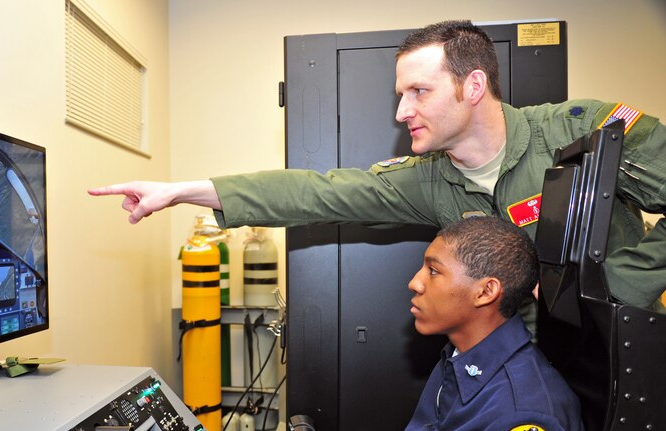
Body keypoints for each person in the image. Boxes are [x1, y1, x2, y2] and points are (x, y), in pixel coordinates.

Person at [89, 20, 666, 312]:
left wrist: (612, 284)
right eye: (400, 93)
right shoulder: (430, 179)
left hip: (622, 348)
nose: (401, 110)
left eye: (418, 91)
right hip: (533, 372)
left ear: (472, 85)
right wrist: (180, 191)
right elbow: (318, 193)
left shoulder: (580, 128)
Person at [112, 217, 584, 431]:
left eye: (434, 271)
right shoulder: (461, 362)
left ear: (485, 292)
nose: (414, 283)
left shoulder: (526, 419)